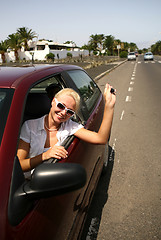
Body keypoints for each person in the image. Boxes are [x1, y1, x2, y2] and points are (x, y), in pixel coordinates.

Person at [17, 83, 116, 177]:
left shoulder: (69, 126)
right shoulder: (29, 126)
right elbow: (19, 165)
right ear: (53, 101)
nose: (64, 113)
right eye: (61, 106)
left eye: (69, 112)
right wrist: (45, 155)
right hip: (27, 183)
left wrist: (109, 106)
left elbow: (101, 139)